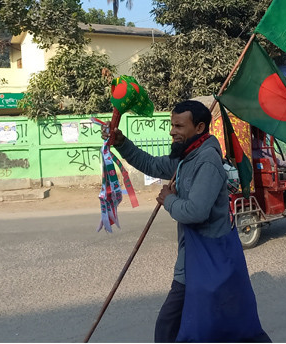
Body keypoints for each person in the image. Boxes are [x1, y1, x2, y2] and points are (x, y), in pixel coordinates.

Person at [102, 100, 270, 343]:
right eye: (172, 125)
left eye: (179, 126)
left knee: (171, 326)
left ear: (199, 127)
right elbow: (150, 164)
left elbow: (195, 211)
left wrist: (168, 200)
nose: (172, 131)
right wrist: (122, 143)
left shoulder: (208, 162)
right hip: (192, 257)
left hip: (208, 258)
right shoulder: (186, 157)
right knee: (208, 325)